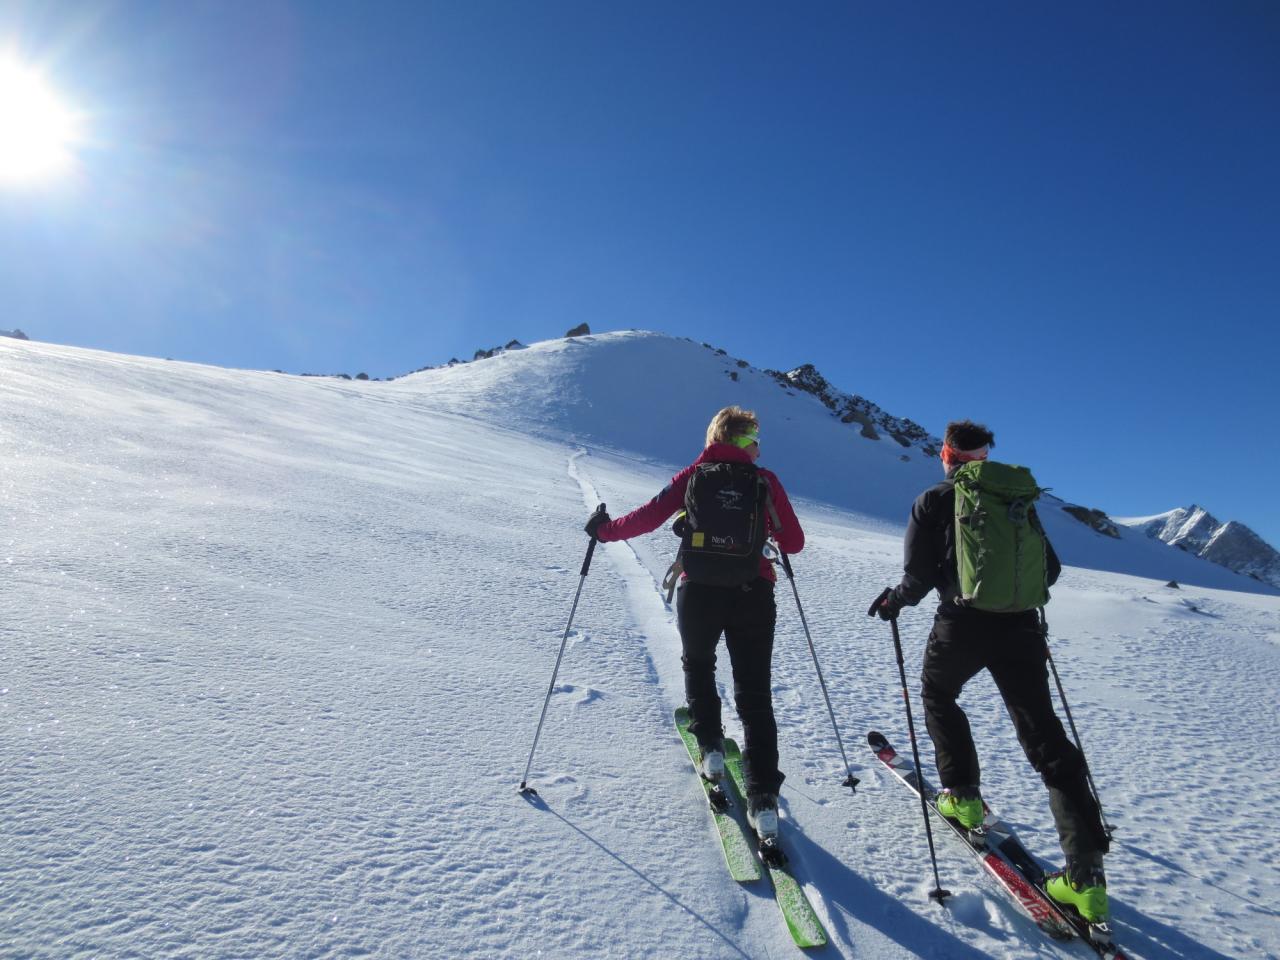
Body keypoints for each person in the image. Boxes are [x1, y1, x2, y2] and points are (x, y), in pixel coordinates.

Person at [869, 419, 1112, 923]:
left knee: (938, 694)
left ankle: (963, 798)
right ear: (985, 456)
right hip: (1021, 629)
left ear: (946, 454)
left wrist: (896, 600)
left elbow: (915, 575)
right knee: (1044, 734)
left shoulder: (935, 500)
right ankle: (1085, 880)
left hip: (961, 625)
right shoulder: (1016, 500)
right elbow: (1050, 569)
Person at [584, 406, 804, 838]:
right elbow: (793, 542)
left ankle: (711, 748)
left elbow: (648, 517)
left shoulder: (692, 476)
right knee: (755, 692)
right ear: (744, 441)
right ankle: (763, 797)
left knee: (699, 665)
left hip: (698, 589)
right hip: (753, 593)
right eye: (755, 439)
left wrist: (604, 531)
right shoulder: (764, 481)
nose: (759, 447)